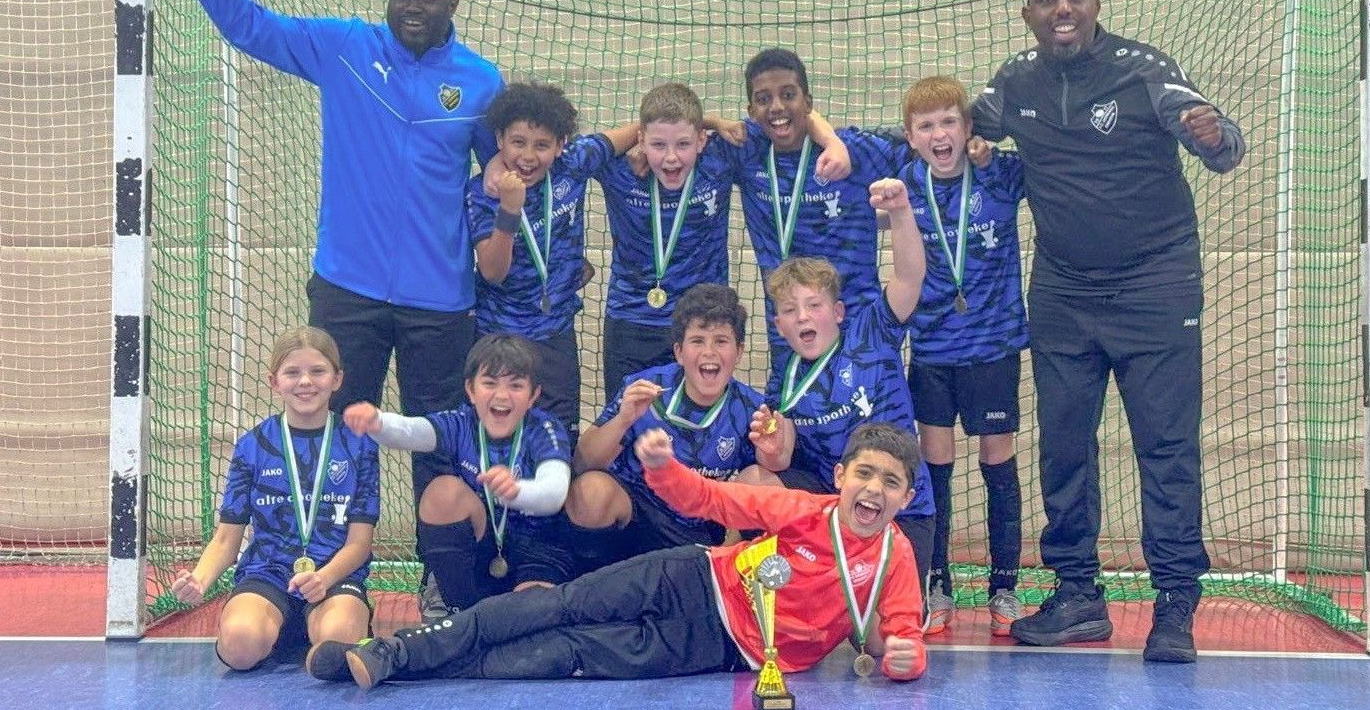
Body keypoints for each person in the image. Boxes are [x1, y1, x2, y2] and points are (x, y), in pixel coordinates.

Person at [971, 0, 1245, 663]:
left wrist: (1213, 134)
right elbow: (942, 125)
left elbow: (1219, 144)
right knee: (1063, 446)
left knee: (1166, 446)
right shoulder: (1014, 83)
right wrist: (832, 140)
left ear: (1095, 6)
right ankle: (1077, 596)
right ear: (1028, 15)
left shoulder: (1144, 70)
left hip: (1155, 286)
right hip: (1063, 293)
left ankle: (1175, 601)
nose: (1061, 7)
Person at [174, 0, 497, 429]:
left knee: (442, 441)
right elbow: (249, 27)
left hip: (440, 298)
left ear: (454, 4)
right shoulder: (344, 47)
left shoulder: (482, 80)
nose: (413, 7)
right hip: (348, 288)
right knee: (340, 441)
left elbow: (505, 175)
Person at [305, 422, 927, 688]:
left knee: (570, 652)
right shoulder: (802, 509)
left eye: (891, 482)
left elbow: (904, 637)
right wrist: (664, 469)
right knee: (561, 605)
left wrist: (906, 659)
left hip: (716, 648)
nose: (873, 490)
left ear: (906, 497)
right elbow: (715, 498)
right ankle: (393, 652)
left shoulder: (895, 557)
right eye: (864, 474)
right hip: (691, 576)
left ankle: (412, 673)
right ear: (841, 476)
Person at [748, 178, 939, 606]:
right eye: (790, 310)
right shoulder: (784, 379)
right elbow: (779, 461)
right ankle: (764, 590)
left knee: (881, 634)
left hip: (899, 510)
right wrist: (770, 448)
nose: (802, 317)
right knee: (752, 481)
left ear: (836, 312)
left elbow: (910, 277)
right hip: (835, 513)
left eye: (813, 305)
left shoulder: (871, 333)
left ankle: (902, 594)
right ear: (779, 325)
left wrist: (900, 210)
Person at [900, 76, 1029, 637]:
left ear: (969, 127)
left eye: (949, 122)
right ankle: (939, 586)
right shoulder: (905, 183)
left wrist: (992, 149)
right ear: (911, 137)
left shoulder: (998, 174)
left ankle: (1005, 587)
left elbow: (1048, 157)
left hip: (994, 348)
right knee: (936, 468)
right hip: (932, 349)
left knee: (998, 464)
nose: (939, 135)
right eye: (926, 126)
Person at [170, 327, 379, 671]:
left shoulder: (359, 445)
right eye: (292, 372)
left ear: (337, 379)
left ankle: (330, 627)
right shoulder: (253, 446)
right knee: (239, 646)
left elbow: (359, 544)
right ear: (274, 382)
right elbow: (225, 539)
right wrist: (200, 580)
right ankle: (272, 630)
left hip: (333, 578)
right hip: (267, 574)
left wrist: (324, 579)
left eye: (318, 371)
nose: (305, 381)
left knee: (338, 643)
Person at [564, 283, 794, 570]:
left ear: (739, 352)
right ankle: (595, 577)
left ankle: (724, 569)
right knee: (591, 492)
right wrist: (623, 420)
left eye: (721, 341)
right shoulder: (644, 388)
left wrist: (772, 453)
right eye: (697, 341)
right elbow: (582, 462)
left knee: (763, 483)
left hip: (701, 525)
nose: (709, 352)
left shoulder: (752, 409)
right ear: (679, 352)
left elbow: (761, 478)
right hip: (639, 517)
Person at [340, 334, 574, 613]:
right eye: (490, 383)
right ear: (471, 390)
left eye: (516, 385)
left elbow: (555, 493)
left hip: (536, 550)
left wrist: (518, 491)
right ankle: (455, 606)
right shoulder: (461, 423)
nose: (502, 395)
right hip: (481, 548)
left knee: (532, 615)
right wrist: (378, 421)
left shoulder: (545, 429)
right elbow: (413, 431)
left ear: (533, 395)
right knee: (442, 491)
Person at [713, 48, 911, 358]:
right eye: (764, 99)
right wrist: (712, 120)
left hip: (858, 329)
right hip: (790, 332)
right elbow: (681, 127)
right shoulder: (747, 150)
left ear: (808, 102)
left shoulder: (851, 151)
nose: (777, 107)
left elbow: (924, 149)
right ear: (751, 110)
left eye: (788, 95)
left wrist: (974, 146)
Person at [467, 83, 640, 435]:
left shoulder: (574, 163)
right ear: (499, 139)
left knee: (560, 442)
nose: (528, 156)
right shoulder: (483, 193)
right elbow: (492, 271)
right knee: (501, 443)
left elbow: (645, 127)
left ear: (561, 144)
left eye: (542, 145)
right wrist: (509, 211)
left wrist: (710, 123)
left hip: (555, 336)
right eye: (518, 142)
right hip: (499, 336)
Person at [595, 83, 737, 403]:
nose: (671, 158)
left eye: (683, 144)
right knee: (628, 421)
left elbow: (784, 126)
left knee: (697, 423)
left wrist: (712, 122)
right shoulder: (617, 167)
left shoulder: (719, 159)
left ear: (701, 141)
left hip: (702, 324)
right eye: (658, 144)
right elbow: (571, 150)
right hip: (631, 321)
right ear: (641, 140)